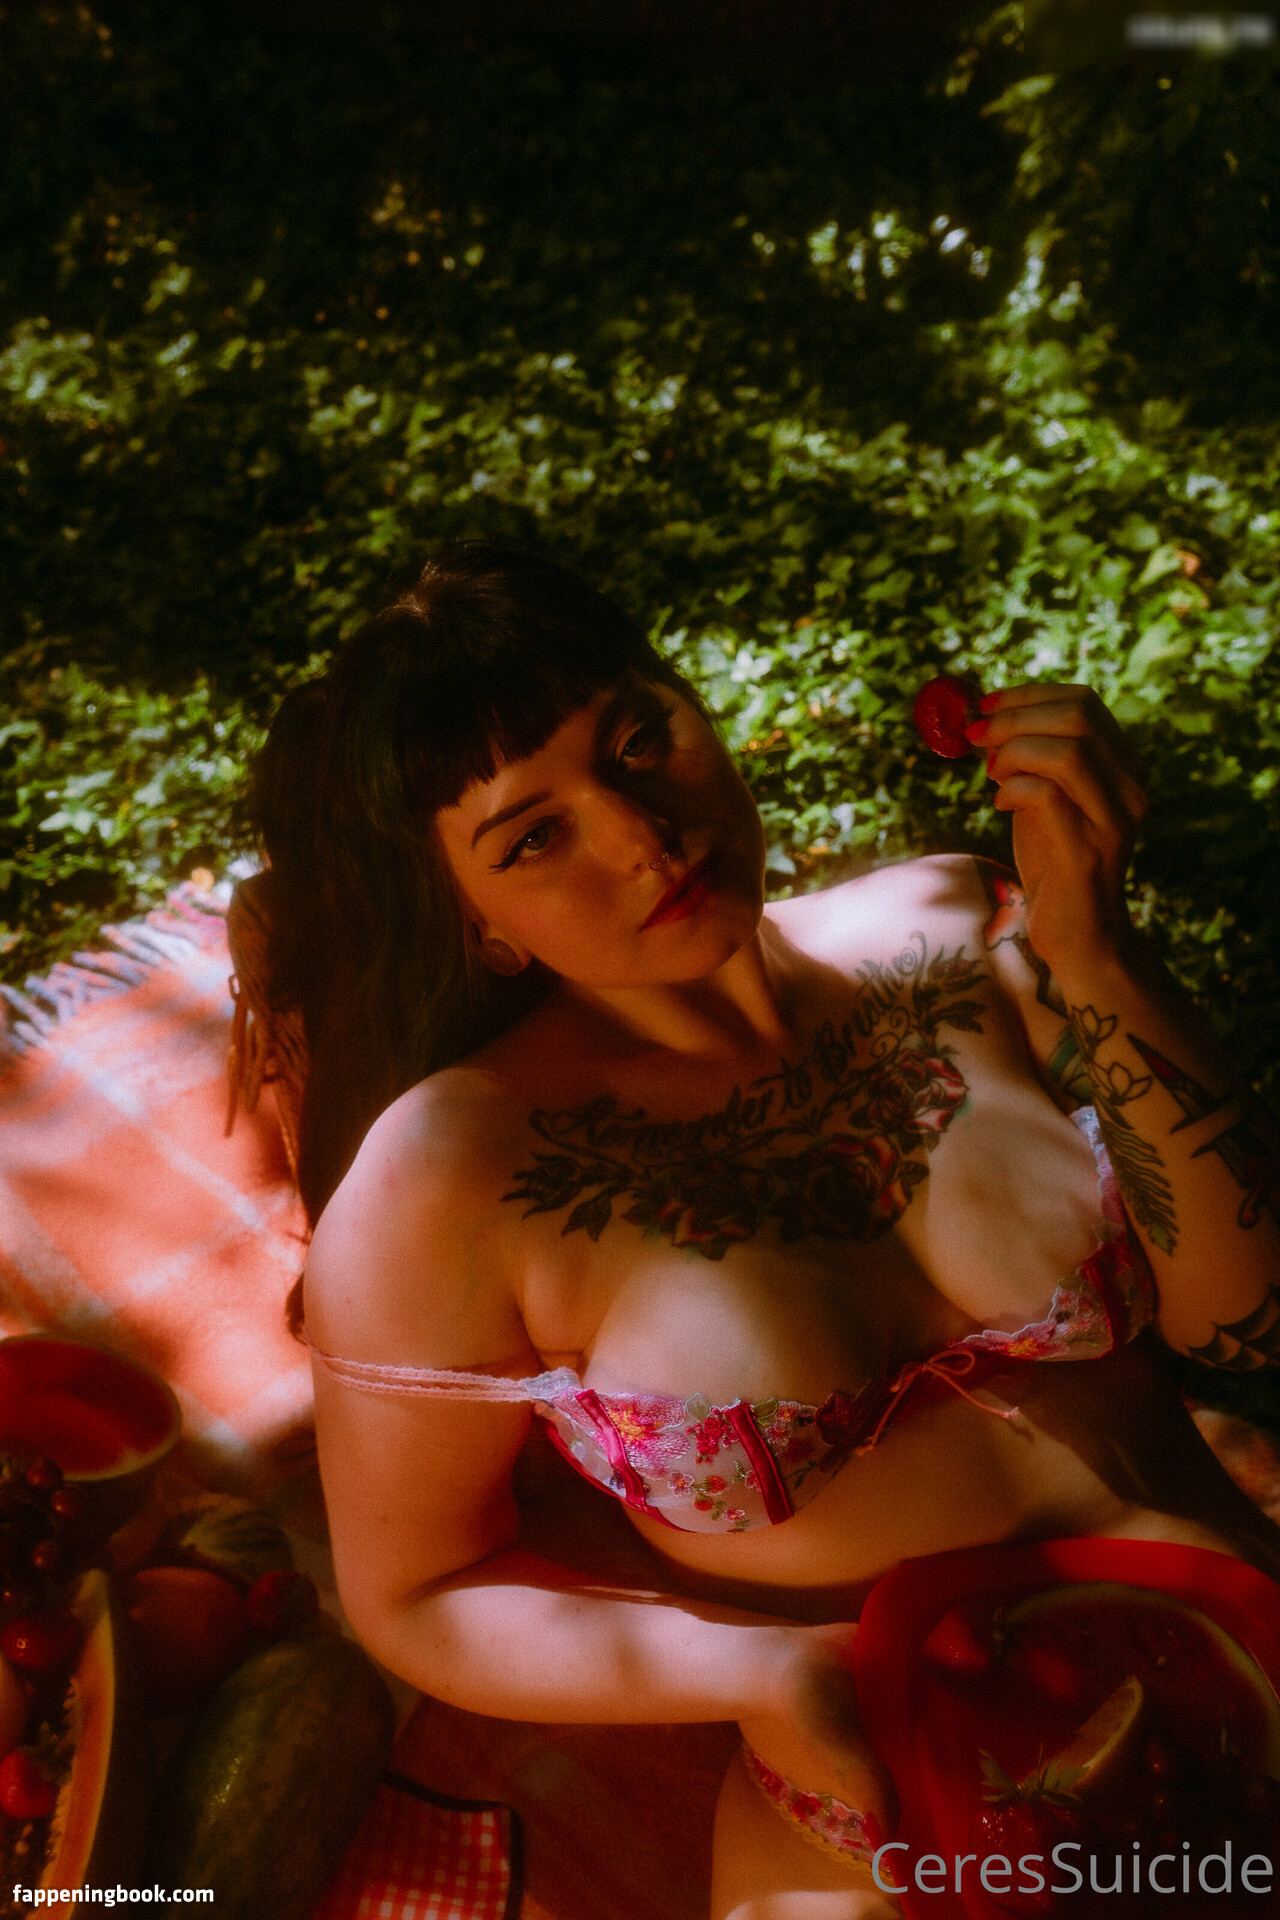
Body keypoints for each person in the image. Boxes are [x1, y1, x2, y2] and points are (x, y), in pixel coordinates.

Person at [245, 541, 1280, 1919]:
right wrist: (759, 1672)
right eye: (533, 837)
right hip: (894, 1836)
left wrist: (1096, 950)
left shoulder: (958, 924)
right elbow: (417, 1590)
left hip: (1253, 1671)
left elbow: (1245, 1320)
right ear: (475, 921)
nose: (642, 835)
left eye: (637, 741)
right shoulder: (447, 1176)